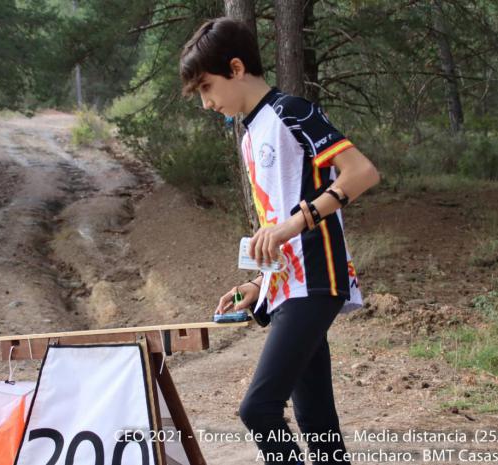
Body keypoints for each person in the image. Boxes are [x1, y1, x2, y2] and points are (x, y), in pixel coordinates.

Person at [179, 17, 381, 465]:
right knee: (316, 423)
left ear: (235, 68)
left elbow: (362, 173)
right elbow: (274, 218)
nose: (207, 103)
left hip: (317, 279)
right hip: (289, 284)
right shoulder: (251, 134)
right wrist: (258, 285)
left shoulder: (293, 112)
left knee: (258, 409)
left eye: (207, 88)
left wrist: (295, 222)